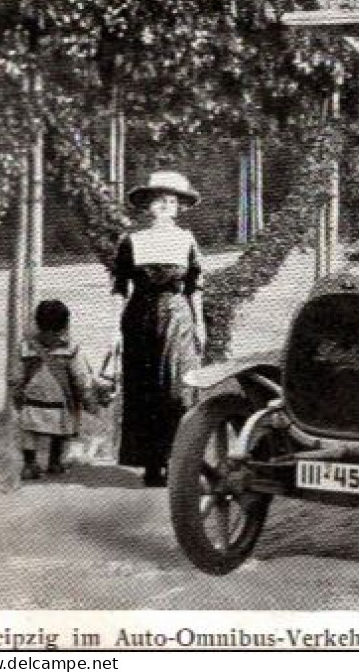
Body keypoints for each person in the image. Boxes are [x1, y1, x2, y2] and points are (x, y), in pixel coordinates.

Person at [113, 171, 205, 487]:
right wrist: (115, 329)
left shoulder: (186, 240)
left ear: (179, 206)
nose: (166, 205)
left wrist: (200, 324)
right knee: (144, 390)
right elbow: (120, 288)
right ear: (148, 206)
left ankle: (177, 461)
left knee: (177, 390)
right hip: (139, 319)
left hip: (177, 318)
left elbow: (194, 286)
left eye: (172, 201)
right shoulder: (132, 241)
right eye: (159, 200)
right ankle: (151, 464)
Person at [11, 300, 101, 481]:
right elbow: (80, 375)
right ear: (65, 326)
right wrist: (87, 396)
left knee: (29, 430)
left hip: (32, 400)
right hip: (59, 402)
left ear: (37, 323)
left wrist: (17, 392)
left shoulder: (26, 347)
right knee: (60, 429)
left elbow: (17, 374)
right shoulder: (70, 348)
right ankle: (54, 462)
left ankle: (29, 464)